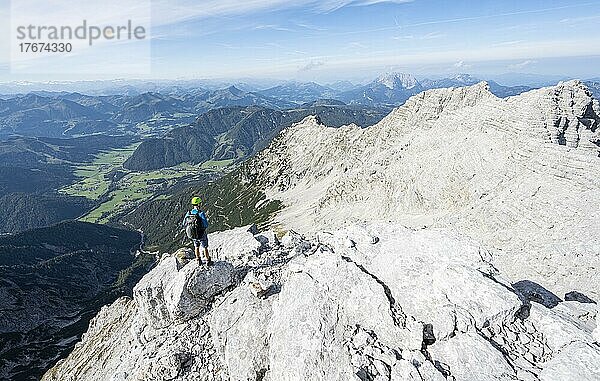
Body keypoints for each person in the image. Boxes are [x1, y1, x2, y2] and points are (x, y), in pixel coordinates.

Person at [182, 197, 213, 266]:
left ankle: (198, 260)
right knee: (205, 247)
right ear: (199, 204)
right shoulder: (200, 213)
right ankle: (208, 260)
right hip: (201, 234)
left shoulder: (189, 213)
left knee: (196, 246)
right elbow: (205, 224)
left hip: (193, 234)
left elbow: (184, 223)